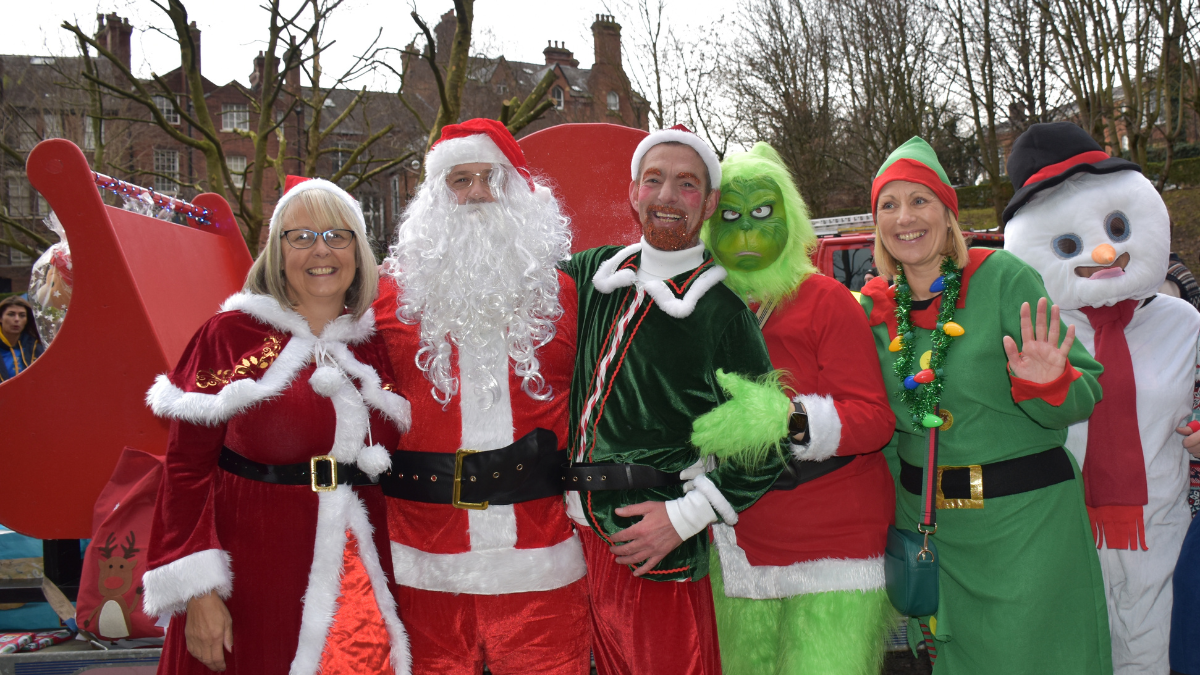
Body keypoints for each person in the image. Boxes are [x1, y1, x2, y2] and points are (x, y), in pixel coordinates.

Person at [858, 137, 1111, 673]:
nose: (905, 217)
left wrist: (1047, 383)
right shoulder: (874, 312)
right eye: (889, 204)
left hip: (1026, 530)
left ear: (948, 214)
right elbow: (877, 430)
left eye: (920, 200)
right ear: (876, 221)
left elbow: (1085, 390)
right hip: (931, 538)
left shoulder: (1002, 277)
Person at [142, 177, 412, 675]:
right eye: (301, 236)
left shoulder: (376, 343)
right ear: (277, 251)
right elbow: (185, 469)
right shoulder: (230, 335)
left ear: (357, 248)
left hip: (366, 582)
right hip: (255, 571)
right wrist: (198, 589)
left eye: (337, 235)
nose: (320, 250)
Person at [561, 125, 790, 675]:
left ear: (709, 203)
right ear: (633, 192)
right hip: (566, 544)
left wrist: (685, 518)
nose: (667, 196)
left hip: (649, 550)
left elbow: (766, 443)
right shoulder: (592, 273)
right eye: (654, 180)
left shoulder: (724, 314)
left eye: (687, 185)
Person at [374, 119, 590, 674]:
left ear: (518, 190)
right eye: (457, 180)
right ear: (434, 200)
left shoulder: (564, 291)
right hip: (426, 558)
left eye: (487, 178)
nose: (473, 194)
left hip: (542, 555)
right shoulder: (387, 295)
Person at [1002, 121, 1200, 675]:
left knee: (1156, 653)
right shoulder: (1033, 332)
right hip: (1065, 529)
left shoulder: (1184, 323)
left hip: (1164, 526)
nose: (1105, 249)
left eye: (1116, 226)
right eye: (1069, 244)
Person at [701, 143, 896, 675]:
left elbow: (875, 418)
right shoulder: (701, 308)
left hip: (834, 546)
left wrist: (787, 419)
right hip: (741, 544)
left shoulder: (825, 299)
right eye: (729, 216)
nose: (745, 233)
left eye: (763, 213)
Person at [0, 296, 45, 381]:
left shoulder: (36, 348)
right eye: (11, 314)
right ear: (1, 318)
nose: (17, 319)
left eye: (22, 315)